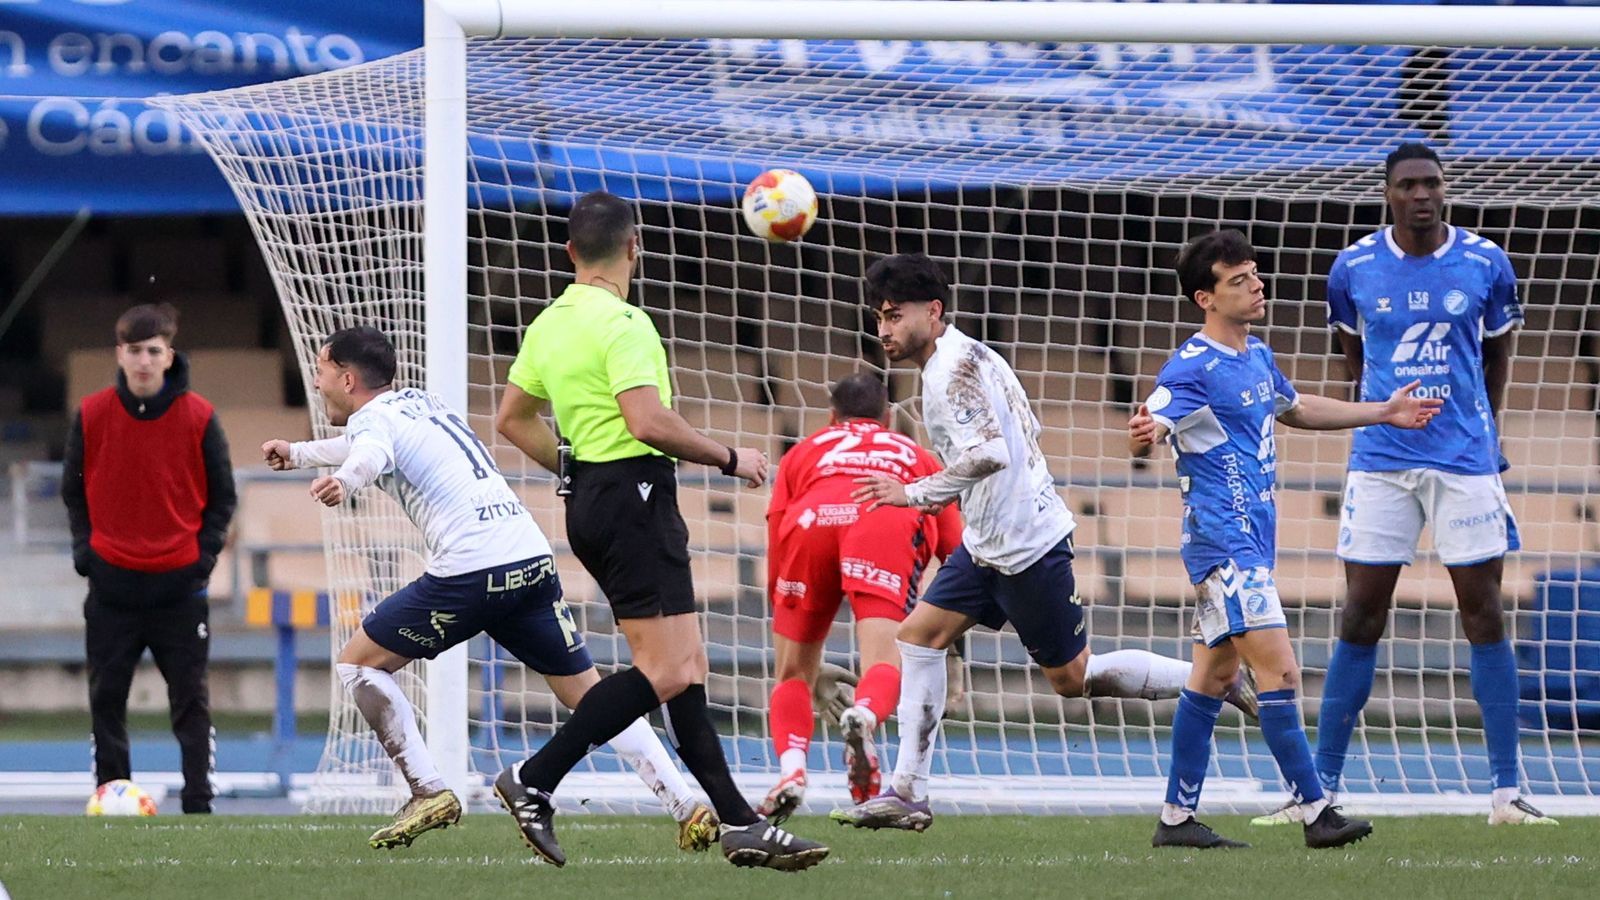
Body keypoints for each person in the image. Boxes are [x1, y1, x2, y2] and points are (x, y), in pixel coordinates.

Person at [832, 253, 1254, 833]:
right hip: (987, 544)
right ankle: (908, 790)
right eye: (879, 317)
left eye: (894, 316)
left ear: (932, 311)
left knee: (1073, 679)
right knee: (918, 638)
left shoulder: (954, 370)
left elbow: (990, 453)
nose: (884, 330)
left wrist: (915, 493)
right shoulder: (963, 357)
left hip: (1026, 549)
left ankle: (1212, 678)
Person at [262, 326, 714, 852]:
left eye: (319, 372)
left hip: (473, 570)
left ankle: (427, 789)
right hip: (527, 556)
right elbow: (365, 443)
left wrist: (347, 481)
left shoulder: (375, 425)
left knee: (357, 664)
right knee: (590, 695)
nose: (316, 384)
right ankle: (687, 806)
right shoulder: (419, 404)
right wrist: (297, 453)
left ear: (346, 378)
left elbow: (368, 453)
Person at [494, 190, 829, 870]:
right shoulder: (625, 323)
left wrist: (574, 466)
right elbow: (647, 421)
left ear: (569, 252)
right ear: (634, 247)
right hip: (634, 495)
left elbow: (511, 418)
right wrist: (733, 458)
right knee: (668, 669)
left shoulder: (550, 322)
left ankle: (740, 822)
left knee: (687, 670)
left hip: (594, 494)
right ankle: (535, 778)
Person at [1252, 143, 1555, 827]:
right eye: (1408, 185)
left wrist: (1488, 428)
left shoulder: (1485, 262)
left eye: (1432, 184)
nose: (1422, 194)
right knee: (1361, 613)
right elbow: (1354, 363)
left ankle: (1506, 793)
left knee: (1483, 614)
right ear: (1388, 194)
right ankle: (1319, 789)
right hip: (1382, 458)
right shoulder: (1353, 267)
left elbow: (1497, 352)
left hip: (1465, 460)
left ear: (1446, 191)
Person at [1130, 230, 1442, 849]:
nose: (1256, 285)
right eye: (1238, 280)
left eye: (1255, 274)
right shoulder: (1191, 366)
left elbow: (1295, 408)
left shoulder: (1257, 355)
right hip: (1225, 546)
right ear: (1205, 298)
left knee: (1212, 679)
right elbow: (1155, 417)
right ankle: (1315, 811)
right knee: (1281, 671)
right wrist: (1146, 430)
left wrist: (1382, 411)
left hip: (1250, 543)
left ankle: (1175, 820)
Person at [759, 373, 963, 823]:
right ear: (889, 417)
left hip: (809, 524)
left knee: (792, 673)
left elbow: (777, 527)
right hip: (881, 519)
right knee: (883, 663)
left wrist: (784, 601)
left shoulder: (805, 451)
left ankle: (791, 772)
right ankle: (865, 717)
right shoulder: (915, 454)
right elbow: (956, 552)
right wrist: (952, 647)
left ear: (832, 416)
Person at [62, 302, 236, 815]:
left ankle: (198, 801)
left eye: (152, 351)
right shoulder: (91, 414)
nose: (143, 360)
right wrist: (85, 555)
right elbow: (73, 492)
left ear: (169, 355)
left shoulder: (200, 416)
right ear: (119, 354)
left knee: (189, 699)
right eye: (134, 350)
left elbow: (222, 497)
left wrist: (200, 561)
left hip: (178, 589)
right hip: (111, 585)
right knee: (106, 697)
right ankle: (111, 796)